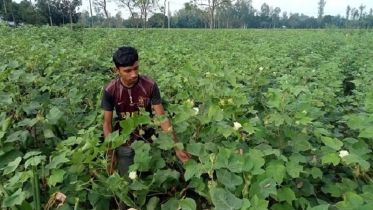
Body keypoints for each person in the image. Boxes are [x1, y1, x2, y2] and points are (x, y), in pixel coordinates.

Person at [101, 46, 191, 210]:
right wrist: (110, 152)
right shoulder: (110, 90)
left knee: (152, 186)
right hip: (124, 143)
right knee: (126, 189)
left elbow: (161, 118)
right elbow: (107, 123)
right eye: (128, 71)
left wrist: (176, 147)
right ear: (117, 70)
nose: (134, 74)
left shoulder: (149, 85)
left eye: (136, 68)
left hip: (149, 142)